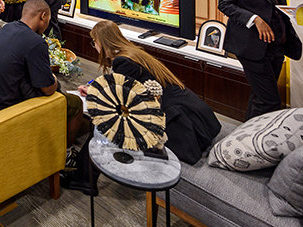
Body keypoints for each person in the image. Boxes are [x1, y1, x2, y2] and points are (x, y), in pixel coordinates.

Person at [78, 20, 221, 164]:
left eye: (94, 42)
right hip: (194, 112)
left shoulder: (122, 62)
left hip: (178, 122)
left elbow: (120, 99)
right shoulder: (132, 52)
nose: (94, 46)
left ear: (102, 42)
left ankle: (82, 169)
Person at [218, 0, 302, 120]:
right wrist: (254, 19)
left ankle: (248, 132)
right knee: (270, 100)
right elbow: (224, 4)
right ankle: (261, 135)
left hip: (276, 44)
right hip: (251, 47)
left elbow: (274, 4)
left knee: (260, 96)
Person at [0, 0, 85, 145]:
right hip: (9, 108)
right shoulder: (36, 42)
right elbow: (48, 89)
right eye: (48, 20)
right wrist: (53, 79)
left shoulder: (7, 29)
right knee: (75, 103)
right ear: (43, 16)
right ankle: (67, 151)